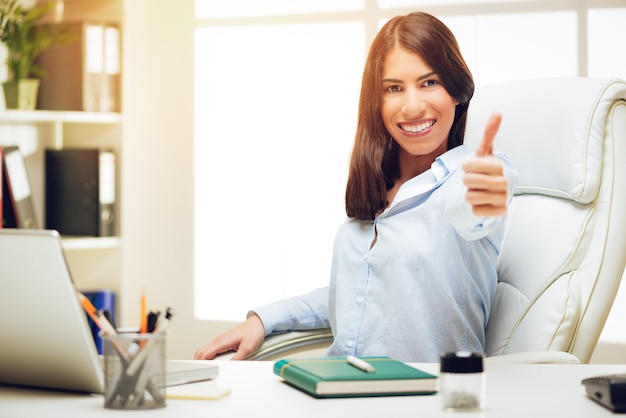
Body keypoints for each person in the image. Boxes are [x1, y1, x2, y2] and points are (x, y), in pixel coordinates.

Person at [194, 11, 518, 363]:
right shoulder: (378, 188)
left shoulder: (475, 176)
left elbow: (472, 211)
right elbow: (358, 293)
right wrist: (265, 319)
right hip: (340, 389)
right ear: (376, 103)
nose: (412, 106)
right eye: (394, 88)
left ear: (457, 91)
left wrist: (484, 195)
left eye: (429, 83)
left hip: (426, 400)